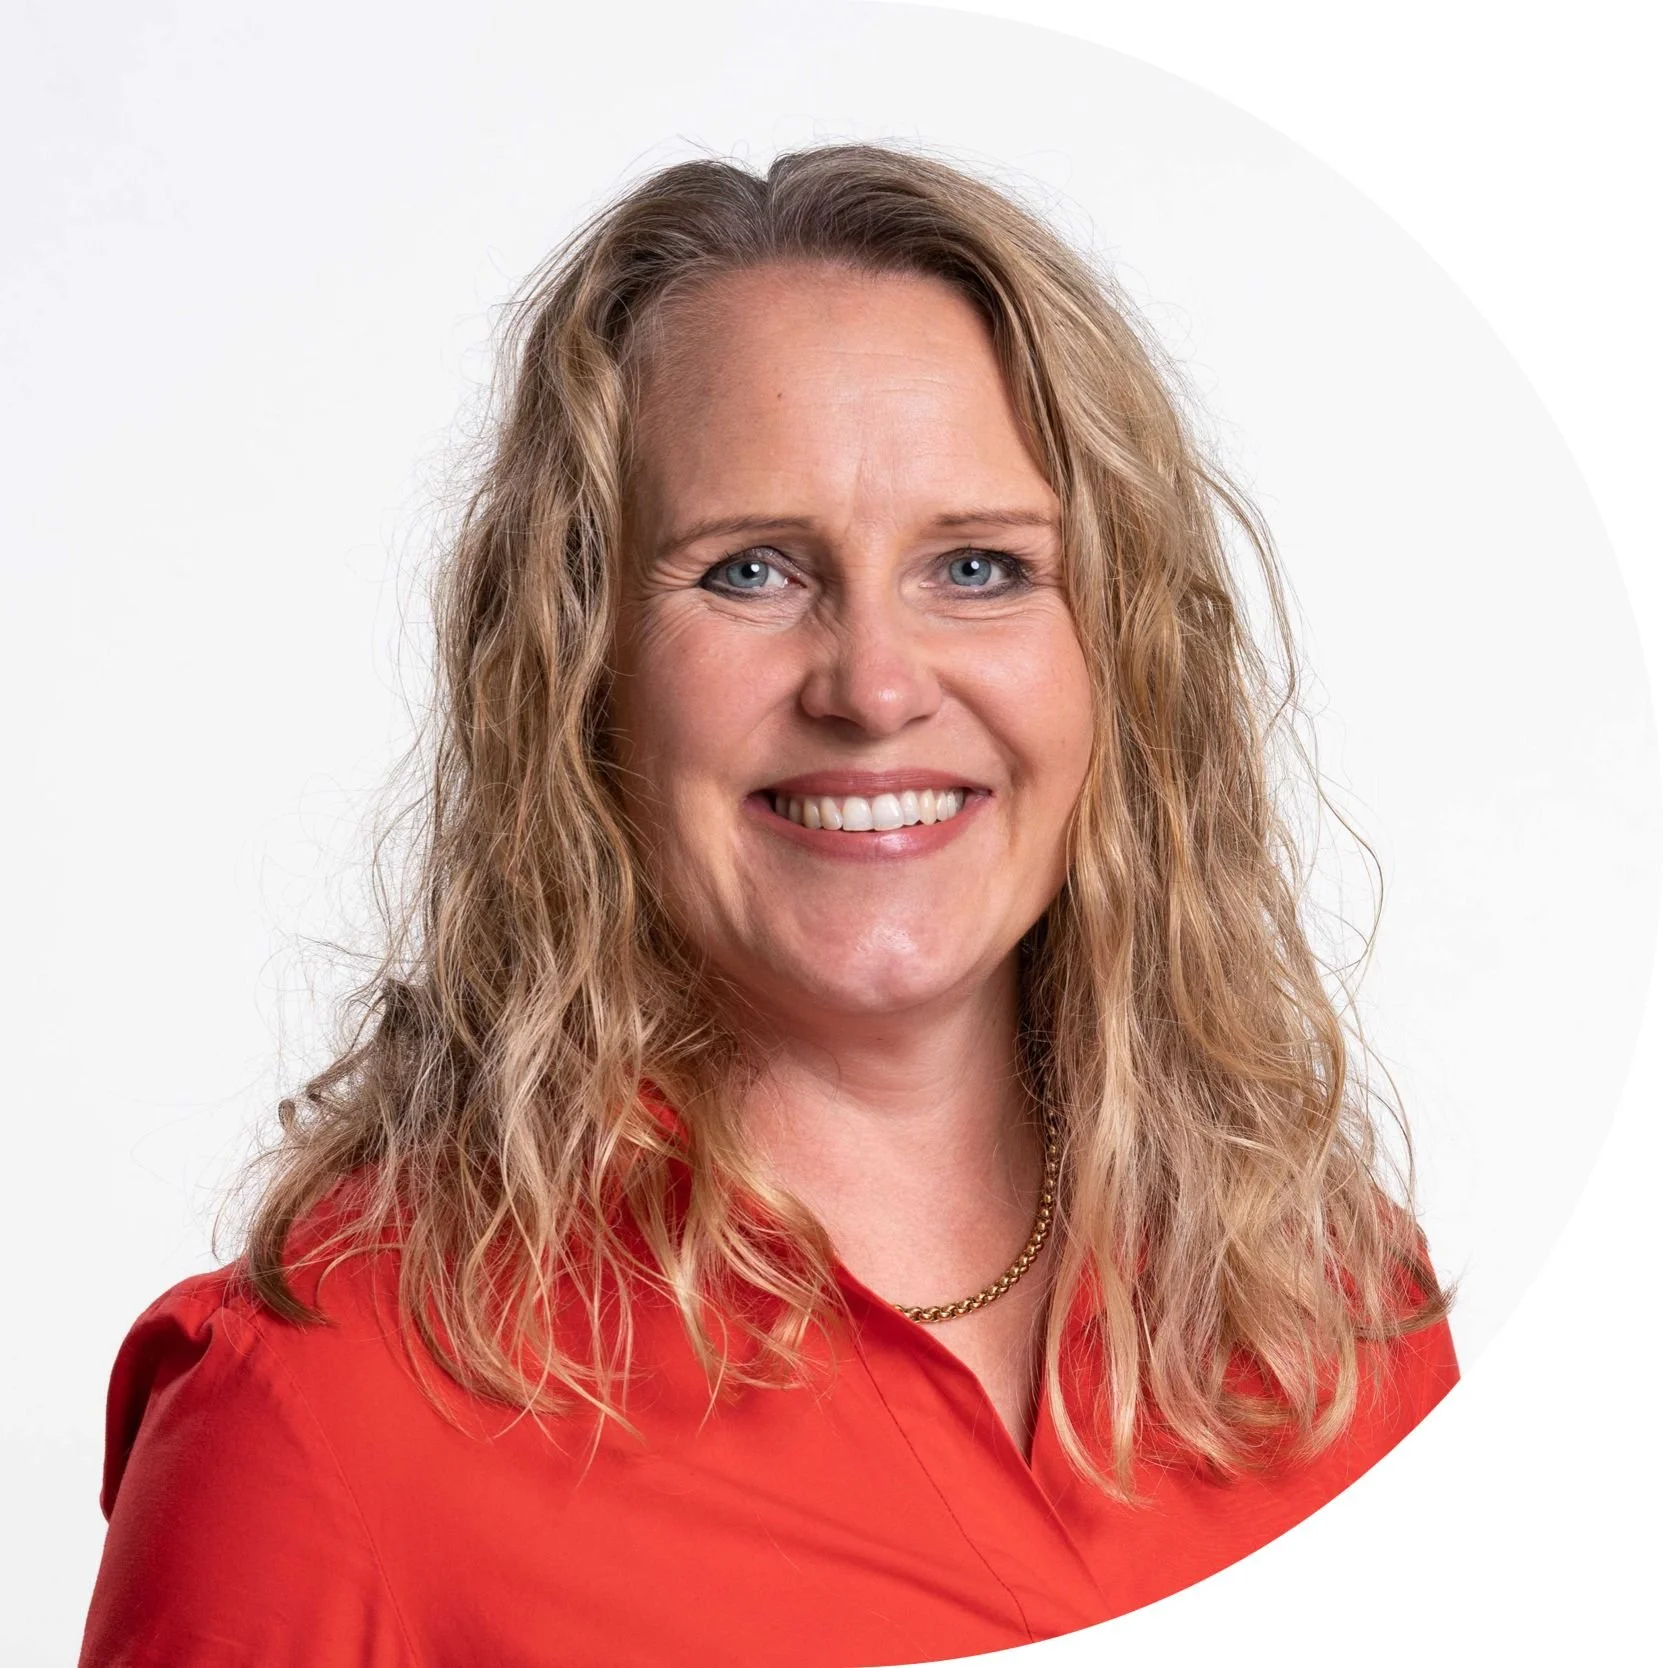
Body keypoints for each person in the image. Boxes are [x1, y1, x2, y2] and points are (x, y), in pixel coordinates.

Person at [78, 143, 1456, 1668]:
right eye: (747, 573)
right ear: (576, 668)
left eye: (981, 567)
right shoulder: (331, 1419)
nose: (871, 688)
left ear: (1119, 656)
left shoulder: (1329, 1320)